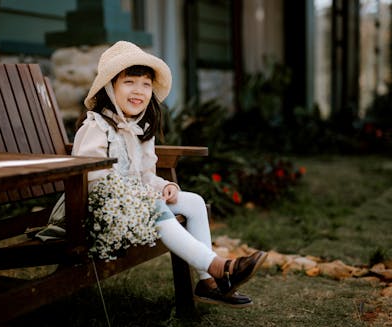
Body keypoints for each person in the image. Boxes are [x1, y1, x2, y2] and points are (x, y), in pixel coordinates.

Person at [67, 41, 267, 308]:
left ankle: (207, 283)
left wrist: (163, 185)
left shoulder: (140, 130)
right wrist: (143, 197)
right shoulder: (96, 127)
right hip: (95, 211)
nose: (138, 90)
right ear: (109, 87)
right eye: (129, 82)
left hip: (134, 204)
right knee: (155, 205)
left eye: (146, 84)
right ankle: (219, 267)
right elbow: (89, 178)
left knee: (193, 201)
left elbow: (146, 175)